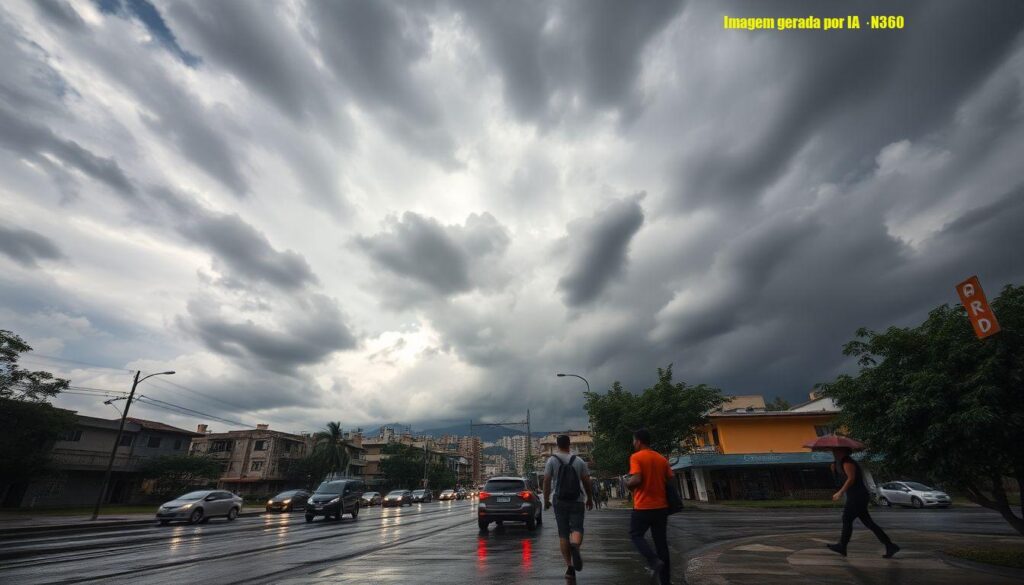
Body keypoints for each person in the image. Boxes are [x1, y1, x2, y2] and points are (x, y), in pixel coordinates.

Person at [827, 447, 899, 558]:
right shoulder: (837, 463)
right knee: (868, 523)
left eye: (836, 450)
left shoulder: (848, 462)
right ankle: (890, 545)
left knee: (847, 518)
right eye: (833, 451)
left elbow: (851, 479)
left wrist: (841, 492)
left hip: (858, 496)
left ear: (844, 451)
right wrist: (834, 470)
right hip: (855, 496)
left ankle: (842, 546)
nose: (833, 452)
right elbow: (840, 480)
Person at [626, 428, 674, 585]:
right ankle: (665, 581)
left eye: (634, 440)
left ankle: (653, 560)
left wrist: (627, 483)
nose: (633, 443)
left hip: (643, 506)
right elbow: (670, 479)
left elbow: (637, 479)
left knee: (635, 534)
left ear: (638, 441)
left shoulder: (636, 457)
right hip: (661, 507)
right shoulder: (661, 459)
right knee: (662, 544)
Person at [544, 434, 594, 579]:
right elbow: (586, 481)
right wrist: (589, 498)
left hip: (559, 500)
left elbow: (547, 481)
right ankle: (576, 545)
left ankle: (569, 566)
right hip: (577, 500)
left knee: (563, 533)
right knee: (577, 528)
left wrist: (546, 499)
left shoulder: (552, 460)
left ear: (557, 445)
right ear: (569, 444)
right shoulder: (579, 460)